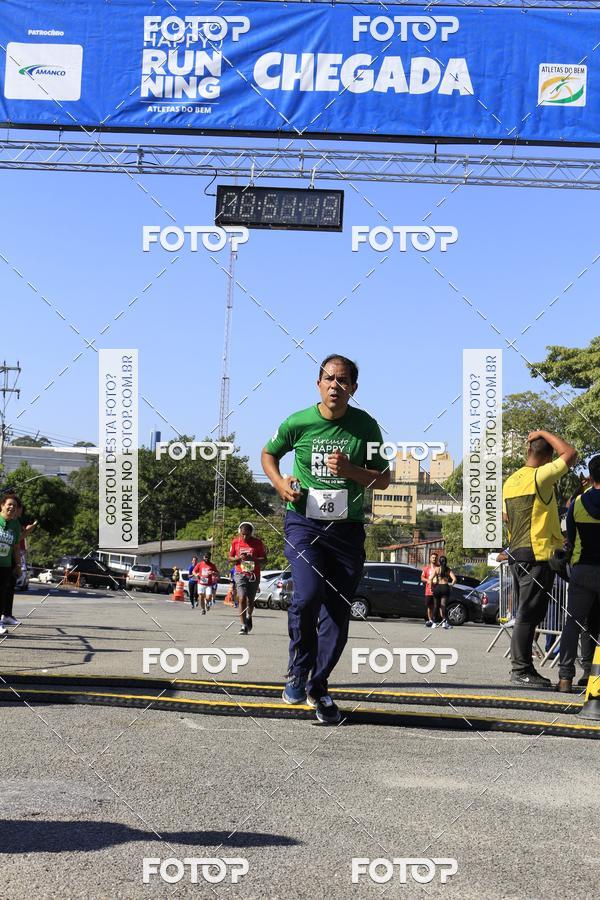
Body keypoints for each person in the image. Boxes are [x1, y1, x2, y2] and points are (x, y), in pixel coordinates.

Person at [262, 353, 390, 724]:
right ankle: (298, 669)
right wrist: (280, 483)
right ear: (318, 383)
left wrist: (350, 470)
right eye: (329, 378)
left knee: (337, 612)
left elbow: (384, 479)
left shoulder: (365, 426)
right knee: (307, 595)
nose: (336, 385)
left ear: (353, 388)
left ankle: (317, 685)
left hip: (346, 531)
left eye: (343, 380)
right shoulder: (298, 422)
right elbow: (268, 454)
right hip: (304, 524)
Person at [503, 430, 577, 687]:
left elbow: (506, 517)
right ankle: (521, 670)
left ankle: (523, 668)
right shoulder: (541, 476)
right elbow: (570, 454)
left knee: (525, 614)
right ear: (548, 458)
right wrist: (543, 432)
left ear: (528, 451)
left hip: (518, 553)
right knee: (528, 615)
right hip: (536, 555)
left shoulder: (511, 480)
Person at [558, 455, 600, 692]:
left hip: (582, 570)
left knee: (573, 624)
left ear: (591, 477)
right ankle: (592, 675)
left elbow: (571, 541)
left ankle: (565, 678)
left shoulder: (578, 503)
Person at [228, 523, 266, 634]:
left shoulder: (258, 543)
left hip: (253, 575)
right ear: (240, 532)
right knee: (242, 597)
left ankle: (249, 615)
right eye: (243, 534)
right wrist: (238, 558)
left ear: (251, 533)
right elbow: (230, 558)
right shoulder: (235, 542)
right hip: (240, 573)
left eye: (247, 534)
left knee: (250, 600)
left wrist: (252, 558)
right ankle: (243, 625)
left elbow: (265, 559)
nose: (245, 537)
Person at [0, 493, 23, 634]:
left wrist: (18, 566)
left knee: (1, 595)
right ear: (2, 505)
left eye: (14, 506)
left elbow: (16, 547)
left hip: (5, 565)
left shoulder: (15, 525)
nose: (11, 507)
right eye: (9, 504)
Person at [428, 555, 456, 629]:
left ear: (439, 562)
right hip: (445, 588)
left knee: (436, 606)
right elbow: (454, 579)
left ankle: (434, 623)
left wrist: (431, 587)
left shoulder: (437, 569)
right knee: (443, 606)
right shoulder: (448, 570)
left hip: (437, 588)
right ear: (446, 562)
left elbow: (430, 578)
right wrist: (451, 585)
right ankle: (444, 622)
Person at [421, 551, 439, 627]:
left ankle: (435, 620)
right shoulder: (426, 568)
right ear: (430, 558)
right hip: (428, 591)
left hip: (437, 590)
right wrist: (428, 580)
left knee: (436, 606)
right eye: (433, 557)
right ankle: (430, 620)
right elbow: (422, 578)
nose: (434, 559)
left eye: (435, 558)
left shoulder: (439, 568)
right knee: (429, 606)